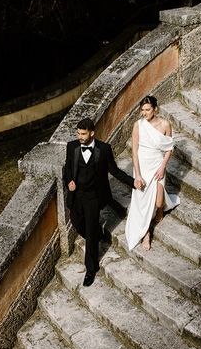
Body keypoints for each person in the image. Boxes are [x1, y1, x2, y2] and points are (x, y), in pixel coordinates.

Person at [64, 117, 139, 286]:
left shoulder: (104, 149)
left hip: (93, 197)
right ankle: (98, 233)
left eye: (83, 134)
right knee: (77, 223)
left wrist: (133, 182)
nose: (80, 137)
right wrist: (69, 181)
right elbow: (67, 168)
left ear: (92, 133)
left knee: (89, 232)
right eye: (78, 133)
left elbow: (114, 171)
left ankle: (91, 268)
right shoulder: (72, 147)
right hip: (76, 196)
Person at [125, 95, 180, 251]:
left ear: (155, 109)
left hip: (157, 165)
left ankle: (161, 209)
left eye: (147, 110)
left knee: (157, 203)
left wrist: (163, 166)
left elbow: (169, 148)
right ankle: (146, 234)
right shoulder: (138, 125)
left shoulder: (165, 124)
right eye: (142, 110)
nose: (144, 113)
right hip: (142, 166)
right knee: (144, 204)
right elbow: (134, 152)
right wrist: (138, 174)